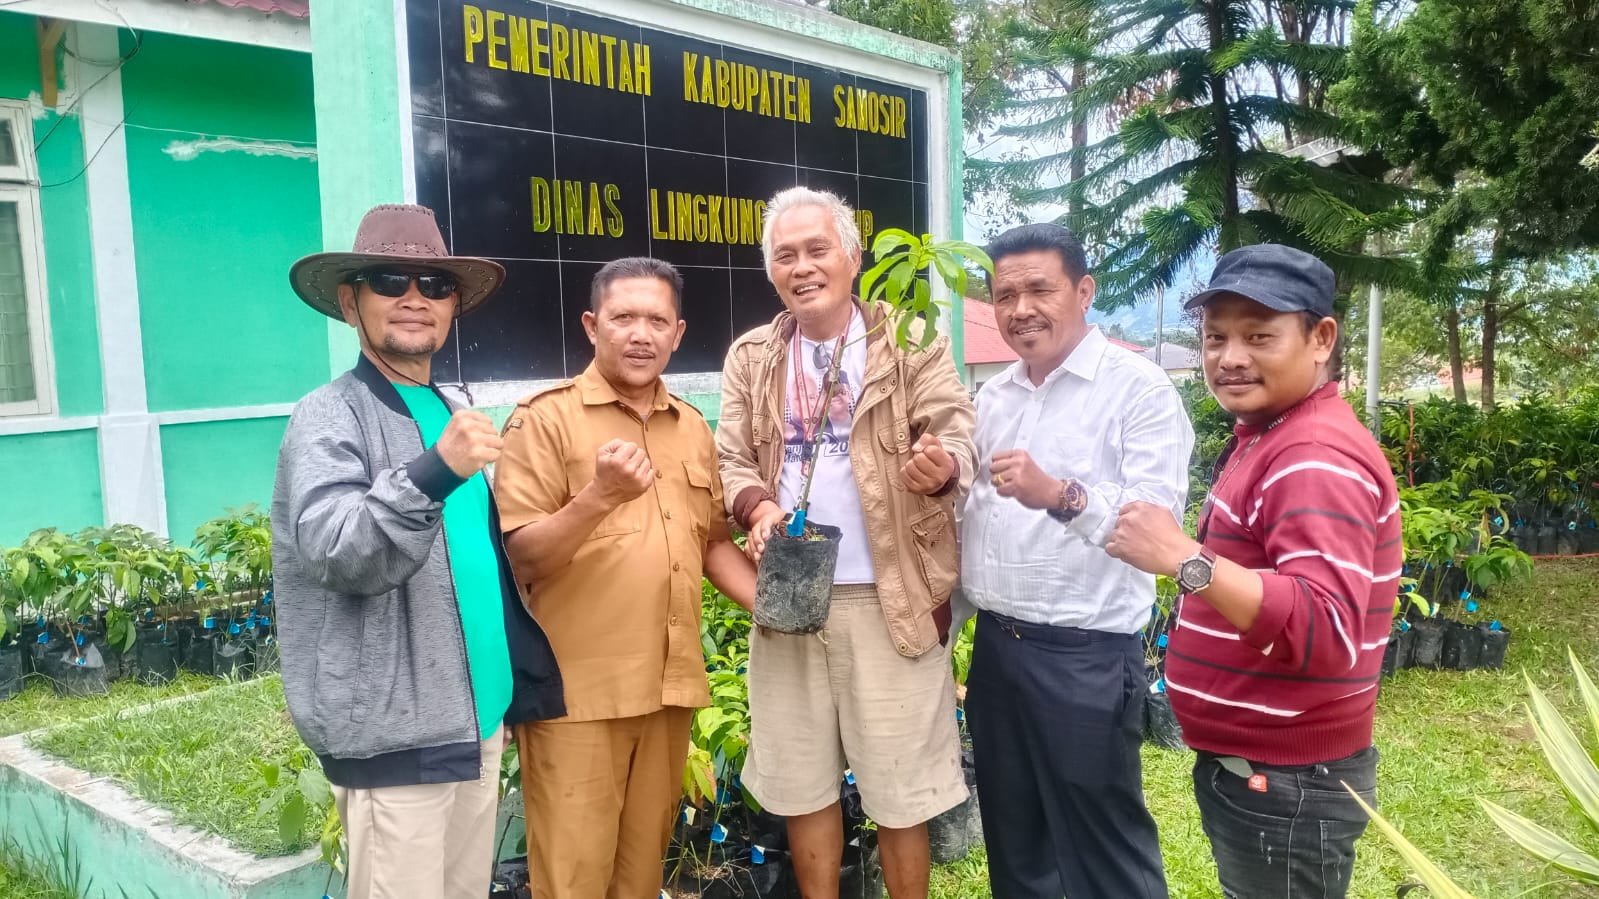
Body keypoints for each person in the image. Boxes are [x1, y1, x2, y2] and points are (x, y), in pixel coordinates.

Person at [273, 203, 564, 899]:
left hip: (473, 720)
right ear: (351, 301)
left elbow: (472, 563)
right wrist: (434, 469)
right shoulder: (329, 414)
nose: (414, 298)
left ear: (453, 305)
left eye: (434, 285)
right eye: (389, 279)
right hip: (395, 738)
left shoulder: (440, 404)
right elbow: (336, 548)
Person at [1106, 243, 1399, 899]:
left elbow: (1325, 630)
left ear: (1320, 337)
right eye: (1215, 337)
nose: (1229, 357)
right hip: (1264, 774)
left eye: (1258, 335)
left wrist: (1185, 558)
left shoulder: (1312, 454)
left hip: (1288, 781)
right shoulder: (1271, 434)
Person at [717, 187, 976, 899]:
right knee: (802, 787)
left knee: (901, 795)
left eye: (816, 249)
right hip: (791, 601)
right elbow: (731, 458)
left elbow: (955, 426)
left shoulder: (910, 340)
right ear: (771, 270)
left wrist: (941, 464)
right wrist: (756, 503)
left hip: (889, 599)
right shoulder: (751, 356)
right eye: (784, 255)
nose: (801, 266)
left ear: (852, 256)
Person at [493, 257, 757, 899]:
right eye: (623, 318)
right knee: (574, 880)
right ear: (592, 325)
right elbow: (522, 558)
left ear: (678, 332)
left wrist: (776, 608)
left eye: (656, 320)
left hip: (667, 693)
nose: (641, 334)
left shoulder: (691, 427)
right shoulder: (544, 419)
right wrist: (599, 496)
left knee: (639, 879)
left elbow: (713, 542)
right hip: (579, 699)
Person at [960, 222, 1191, 899]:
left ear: (1083, 290)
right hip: (998, 653)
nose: (1021, 309)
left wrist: (1056, 493)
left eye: (1040, 289)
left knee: (1103, 850)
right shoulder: (993, 396)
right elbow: (975, 519)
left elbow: (1154, 526)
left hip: (1086, 658)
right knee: (1017, 842)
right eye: (1005, 295)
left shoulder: (1137, 390)